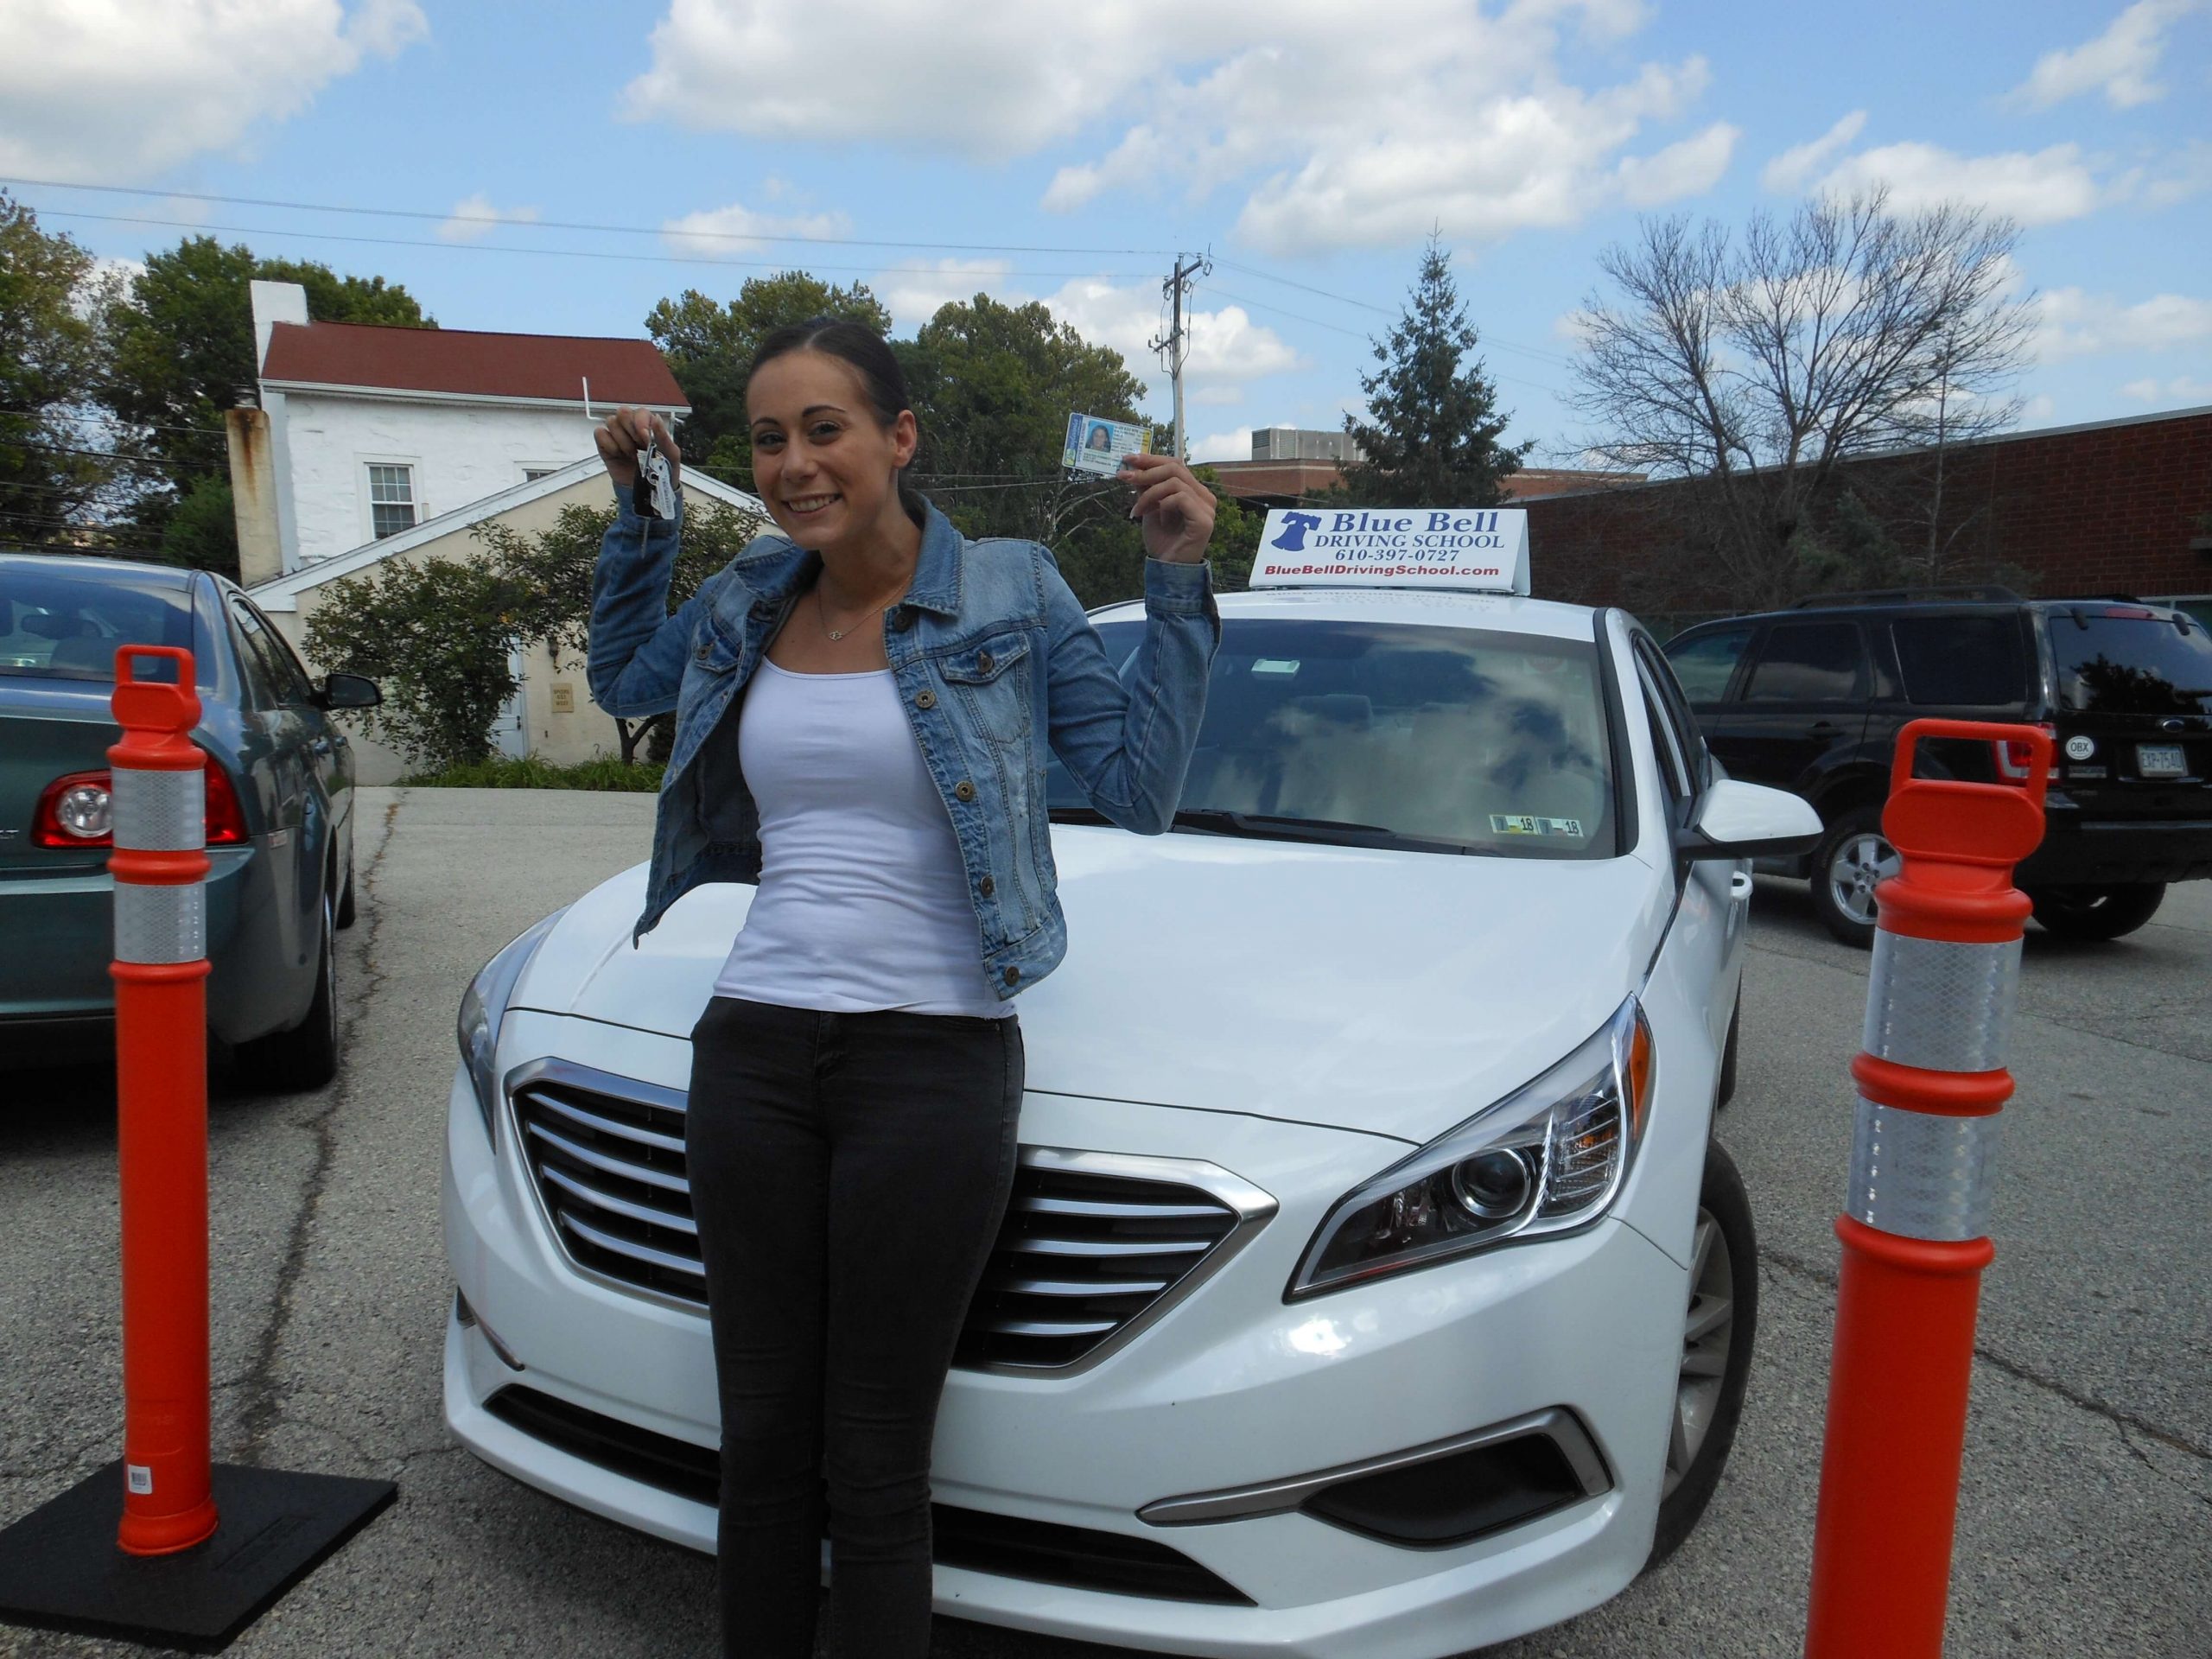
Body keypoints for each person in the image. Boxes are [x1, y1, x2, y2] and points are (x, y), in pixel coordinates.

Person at [586, 317, 1219, 1659]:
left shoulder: (1010, 588)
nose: (796, 464)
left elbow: (1138, 793)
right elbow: (623, 678)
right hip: (752, 1049)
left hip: (933, 1060)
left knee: (873, 1456)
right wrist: (640, 514)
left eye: (826, 430)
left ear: (899, 438)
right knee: (759, 1442)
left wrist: (1176, 580)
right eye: (769, 438)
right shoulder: (752, 597)